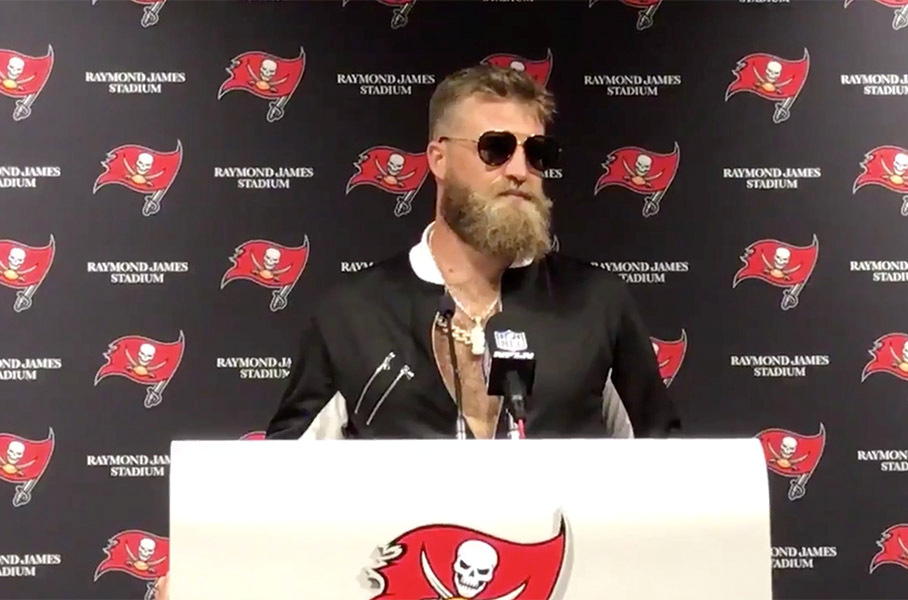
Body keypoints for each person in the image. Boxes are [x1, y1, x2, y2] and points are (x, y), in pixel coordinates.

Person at [152, 63, 680, 599]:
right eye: (496, 149)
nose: (520, 170)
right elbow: (280, 491)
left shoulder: (597, 304)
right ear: (438, 158)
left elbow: (672, 479)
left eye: (537, 153)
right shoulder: (355, 312)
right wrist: (214, 572)